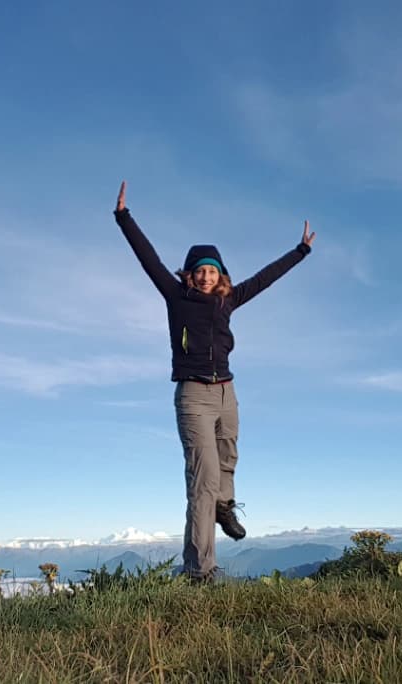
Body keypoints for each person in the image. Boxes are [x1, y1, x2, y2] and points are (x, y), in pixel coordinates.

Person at [113, 181, 315, 583]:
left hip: (227, 390)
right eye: (199, 271)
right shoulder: (175, 296)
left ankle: (226, 506)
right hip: (193, 394)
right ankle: (199, 570)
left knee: (229, 458)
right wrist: (124, 218)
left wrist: (300, 251)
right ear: (189, 275)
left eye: (212, 271)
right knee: (202, 481)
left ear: (220, 275)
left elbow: (266, 278)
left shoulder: (229, 300)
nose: (206, 277)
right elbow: (148, 258)